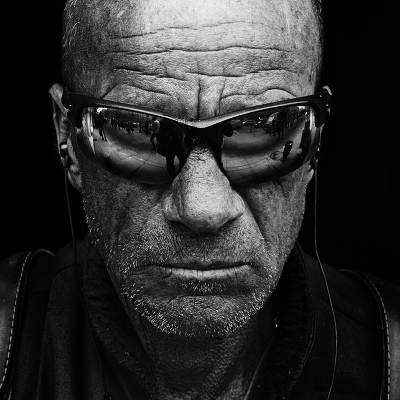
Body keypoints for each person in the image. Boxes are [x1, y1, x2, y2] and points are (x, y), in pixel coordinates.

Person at [1, 1, 399, 400]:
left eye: (262, 127)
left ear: (314, 142)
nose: (202, 209)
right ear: (67, 136)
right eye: (139, 128)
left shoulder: (390, 357)